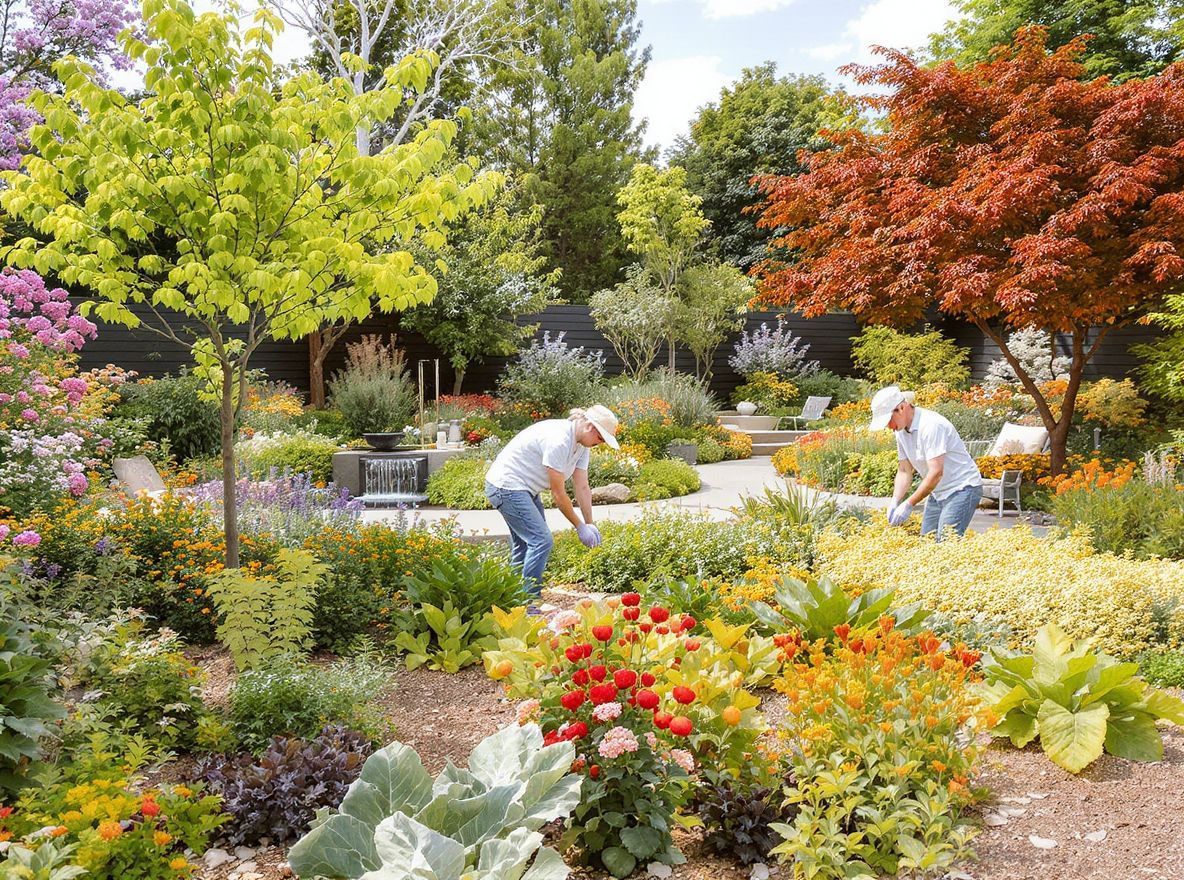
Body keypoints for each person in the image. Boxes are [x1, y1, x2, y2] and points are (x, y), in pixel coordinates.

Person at [484, 404, 619, 603]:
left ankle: (512, 600)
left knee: (525, 545)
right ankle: (530, 603)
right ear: (590, 427)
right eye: (600, 438)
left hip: (524, 489)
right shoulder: (559, 440)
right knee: (541, 540)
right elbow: (558, 494)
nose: (599, 444)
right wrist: (579, 526)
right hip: (506, 487)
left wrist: (590, 523)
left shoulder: (582, 445)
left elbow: (582, 486)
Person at [869, 385, 983, 540]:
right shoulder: (900, 431)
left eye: (889, 420)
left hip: (963, 488)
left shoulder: (931, 425)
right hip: (938, 491)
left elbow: (936, 472)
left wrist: (909, 504)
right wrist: (895, 500)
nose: (889, 427)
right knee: (926, 542)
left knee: (946, 543)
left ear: (901, 408)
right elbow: (904, 470)